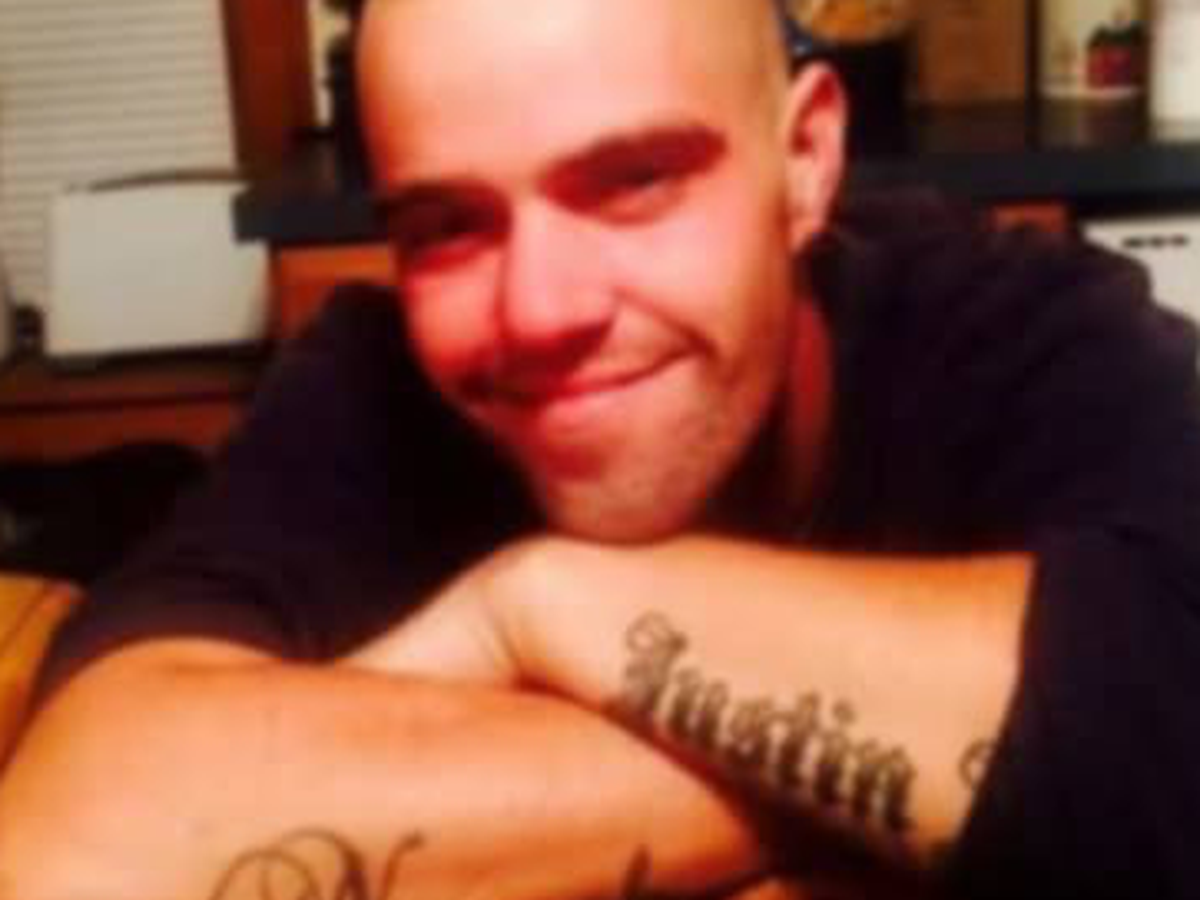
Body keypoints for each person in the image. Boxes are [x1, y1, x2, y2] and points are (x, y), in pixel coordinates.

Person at [3, 0, 1200, 896]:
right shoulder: (368, 387)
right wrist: (946, 779)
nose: (537, 311)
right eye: (446, 227)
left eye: (633, 182)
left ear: (805, 160)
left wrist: (542, 606)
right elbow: (79, 846)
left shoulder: (1007, 331)